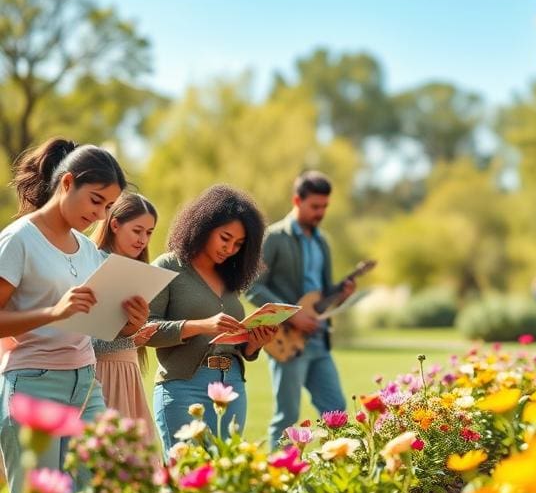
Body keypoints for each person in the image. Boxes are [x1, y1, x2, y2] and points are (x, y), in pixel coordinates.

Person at [0, 138, 148, 493]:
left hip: (85, 384)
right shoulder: (18, 240)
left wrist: (130, 323)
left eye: (109, 206)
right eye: (95, 200)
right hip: (34, 384)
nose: (100, 214)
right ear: (67, 183)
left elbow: (101, 322)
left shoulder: (86, 250)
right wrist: (54, 313)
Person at [146, 185, 276, 454]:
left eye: (238, 244)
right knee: (186, 476)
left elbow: (235, 345)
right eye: (225, 238)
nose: (230, 249)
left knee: (225, 475)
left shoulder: (231, 278)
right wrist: (202, 326)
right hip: (183, 388)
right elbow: (146, 329)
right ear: (204, 226)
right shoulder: (168, 266)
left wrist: (254, 345)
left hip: (232, 386)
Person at [247, 171, 355, 448]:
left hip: (319, 340)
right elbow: (252, 287)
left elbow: (323, 293)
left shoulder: (322, 242)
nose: (321, 213)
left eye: (325, 207)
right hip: (287, 341)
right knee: (287, 418)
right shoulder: (273, 238)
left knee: (337, 413)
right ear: (297, 200)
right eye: (315, 206)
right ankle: (277, 482)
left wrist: (341, 294)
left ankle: (338, 476)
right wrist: (293, 314)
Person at [90, 193, 159, 437]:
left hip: (127, 372)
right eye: (137, 230)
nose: (143, 240)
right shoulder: (93, 262)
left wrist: (137, 333)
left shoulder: (138, 271)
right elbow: (84, 340)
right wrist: (131, 337)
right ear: (115, 224)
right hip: (100, 375)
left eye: (149, 233)